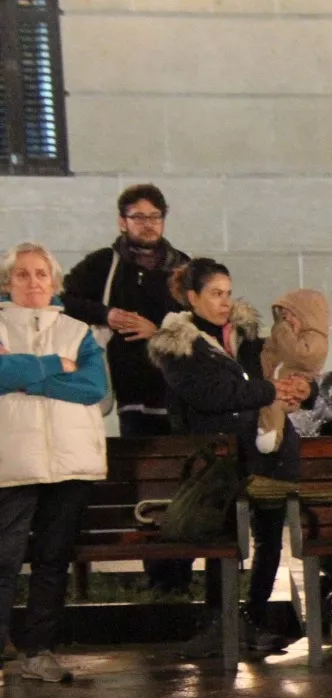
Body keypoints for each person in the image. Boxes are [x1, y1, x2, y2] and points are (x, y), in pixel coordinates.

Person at [150, 259, 310, 659]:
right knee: (223, 543)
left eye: (228, 292)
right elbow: (212, 395)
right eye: (215, 294)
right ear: (192, 297)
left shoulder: (245, 336)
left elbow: (279, 371)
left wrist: (300, 386)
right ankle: (219, 623)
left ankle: (253, 618)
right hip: (220, 461)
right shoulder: (179, 346)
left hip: (270, 452)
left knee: (271, 537)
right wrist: (270, 390)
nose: (224, 302)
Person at [62, 183, 191, 594]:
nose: (148, 224)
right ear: (123, 221)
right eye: (139, 217)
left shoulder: (182, 267)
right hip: (132, 393)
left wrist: (159, 331)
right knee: (146, 486)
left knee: (182, 485)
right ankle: (157, 576)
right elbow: (67, 300)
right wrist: (106, 313)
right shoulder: (104, 264)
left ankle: (181, 577)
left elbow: (200, 320)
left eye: (155, 216)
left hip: (177, 393)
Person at [0, 242, 109, 684]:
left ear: (55, 282)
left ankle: (39, 651)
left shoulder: (78, 330)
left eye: (41, 274)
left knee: (51, 560)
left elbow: (92, 387)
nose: (32, 282)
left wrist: (28, 378)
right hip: (10, 461)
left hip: (70, 462)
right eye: (22, 274)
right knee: (3, 561)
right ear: (8, 283)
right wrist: (53, 365)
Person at [256, 290, 330, 455]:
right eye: (283, 317)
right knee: (272, 405)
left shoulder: (313, 340)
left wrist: (306, 389)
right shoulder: (277, 341)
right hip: (271, 392)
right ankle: (268, 432)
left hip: (289, 394)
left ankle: (270, 434)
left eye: (290, 316)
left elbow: (302, 357)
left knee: (276, 405)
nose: (286, 321)